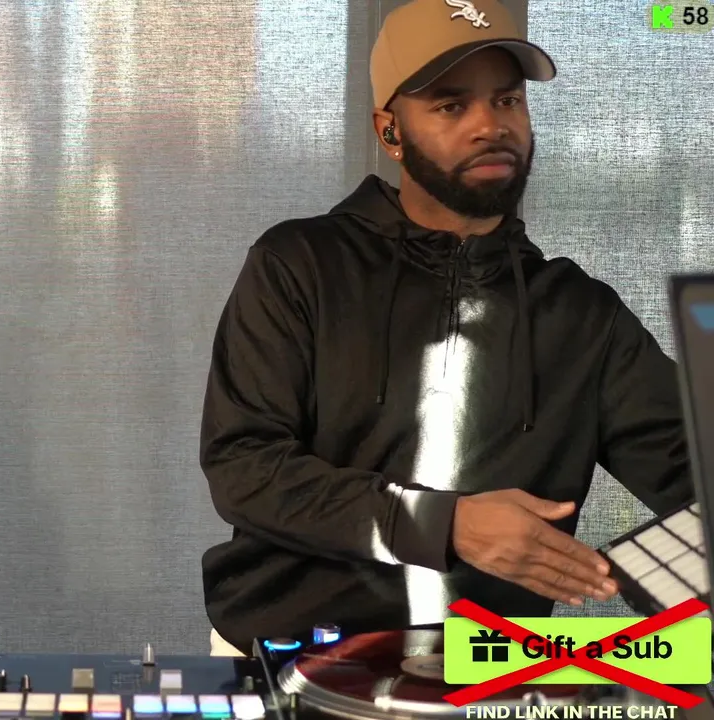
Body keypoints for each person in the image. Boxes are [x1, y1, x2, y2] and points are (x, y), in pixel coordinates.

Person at [199, 0, 693, 657]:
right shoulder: (300, 264)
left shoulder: (581, 314)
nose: (491, 125)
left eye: (508, 100)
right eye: (451, 105)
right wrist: (445, 524)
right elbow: (245, 468)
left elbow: (692, 471)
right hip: (290, 653)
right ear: (390, 132)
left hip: (485, 665)